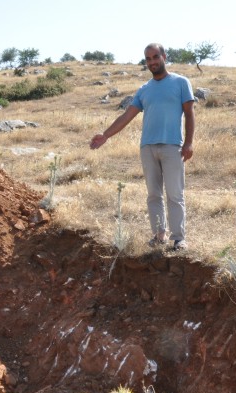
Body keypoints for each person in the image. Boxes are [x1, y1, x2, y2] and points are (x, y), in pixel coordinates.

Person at [90, 43, 195, 250]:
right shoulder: (144, 89)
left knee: (175, 194)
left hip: (173, 146)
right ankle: (159, 235)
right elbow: (126, 116)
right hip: (147, 148)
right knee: (153, 195)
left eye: (156, 57)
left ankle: (178, 238)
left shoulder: (181, 82)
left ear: (164, 56)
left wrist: (189, 143)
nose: (152, 62)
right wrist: (106, 135)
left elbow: (190, 114)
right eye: (148, 59)